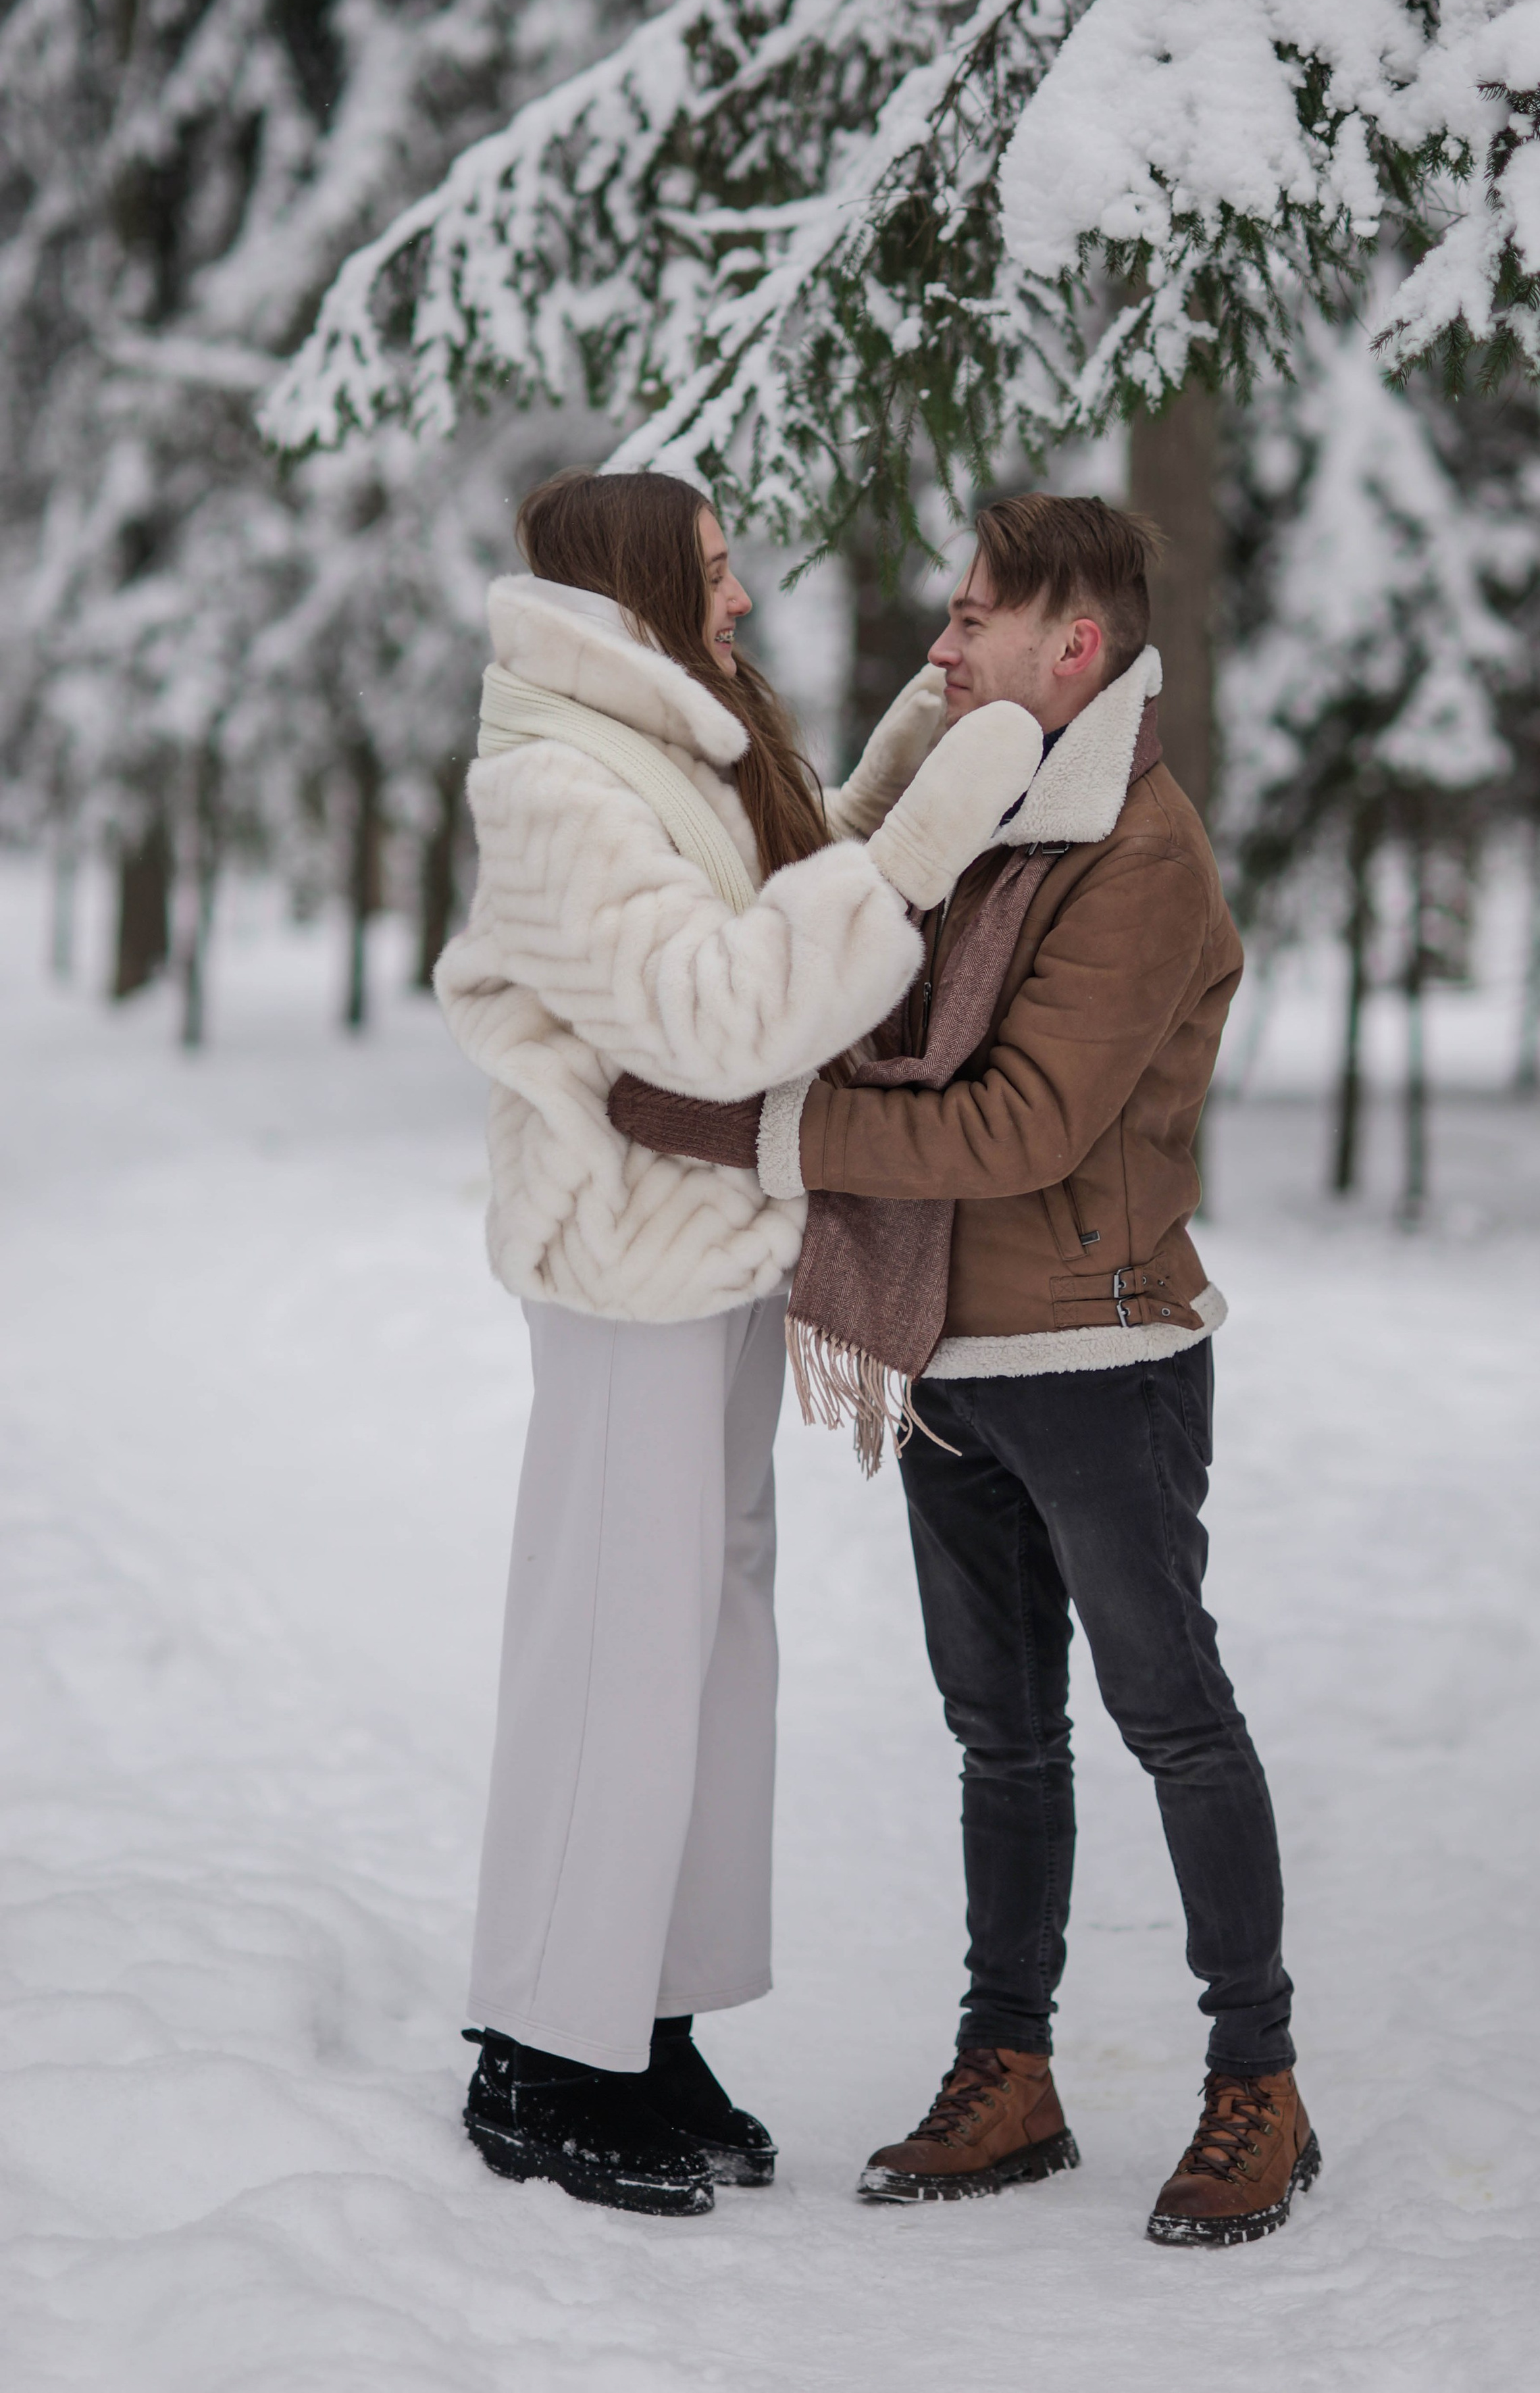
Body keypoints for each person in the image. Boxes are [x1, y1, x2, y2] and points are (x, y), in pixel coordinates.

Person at [609, 492, 1317, 2247]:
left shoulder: (1137, 856)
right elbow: (851, 962)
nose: (944, 644)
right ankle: (1012, 2071)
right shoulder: (985, 816)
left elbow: (1016, 1126)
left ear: (1075, 649)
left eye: (978, 620)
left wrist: (762, 1130)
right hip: (946, 1353)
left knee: (1172, 1718)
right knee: (1001, 1740)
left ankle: (1262, 2083)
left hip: (1101, 1353)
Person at [434, 467, 1043, 2217]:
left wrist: (912, 756)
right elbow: (720, 1013)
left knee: (709, 1647)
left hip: (710, 1255)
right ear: (629, 586)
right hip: (624, 1257)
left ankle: (651, 2009)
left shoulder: (667, 750)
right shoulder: (558, 782)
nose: (744, 597)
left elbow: (777, 911)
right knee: (617, 1640)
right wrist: (926, 845)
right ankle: (541, 2052)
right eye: (711, 571)